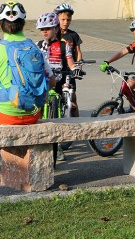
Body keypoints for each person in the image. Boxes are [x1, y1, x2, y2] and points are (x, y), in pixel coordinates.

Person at [0, 1, 54, 176]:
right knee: (7, 120)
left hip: (8, 113)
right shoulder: (34, 46)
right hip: (34, 112)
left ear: (0, 25)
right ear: (23, 23)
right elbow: (52, 82)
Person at [36, 12, 77, 161]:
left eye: (48, 28)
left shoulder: (63, 44)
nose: (44, 31)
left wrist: (75, 69)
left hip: (59, 79)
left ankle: (58, 145)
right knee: (38, 109)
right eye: (42, 29)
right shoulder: (38, 45)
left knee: (66, 103)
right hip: (44, 81)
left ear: (55, 28)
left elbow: (70, 61)